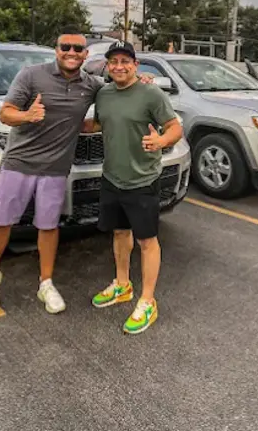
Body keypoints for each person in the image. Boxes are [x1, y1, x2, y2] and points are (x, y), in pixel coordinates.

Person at [0, 29, 153, 314]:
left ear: (86, 55)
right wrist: (27, 116)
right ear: (56, 50)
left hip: (56, 169)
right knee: (2, 221)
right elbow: (5, 113)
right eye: (65, 47)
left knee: (48, 226)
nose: (71, 53)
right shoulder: (31, 75)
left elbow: (119, 87)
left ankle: (46, 283)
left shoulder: (92, 85)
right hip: (20, 163)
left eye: (77, 49)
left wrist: (141, 80)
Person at [84, 41, 183, 334]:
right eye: (113, 61)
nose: (119, 66)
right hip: (112, 177)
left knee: (147, 241)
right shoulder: (104, 94)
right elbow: (100, 124)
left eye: (125, 61)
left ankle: (148, 301)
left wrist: (161, 141)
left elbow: (175, 127)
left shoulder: (151, 93)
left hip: (142, 180)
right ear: (107, 66)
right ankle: (122, 284)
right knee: (119, 233)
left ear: (135, 65)